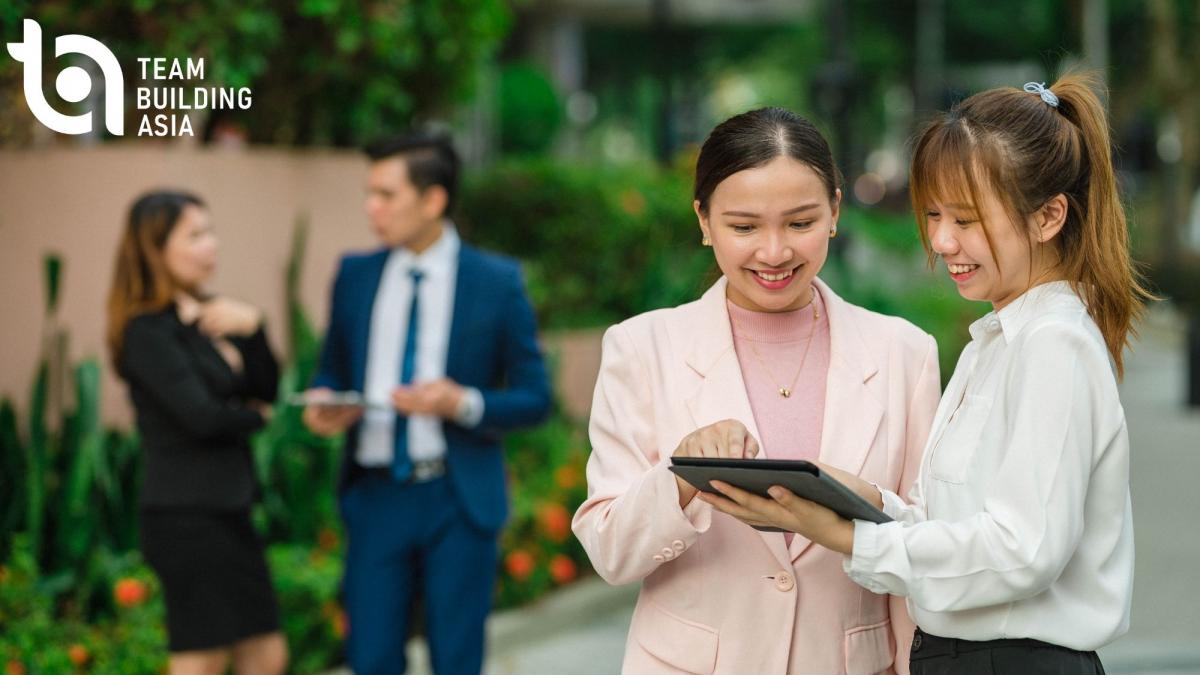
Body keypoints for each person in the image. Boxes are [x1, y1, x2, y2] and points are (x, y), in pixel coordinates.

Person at [704, 74, 1149, 674]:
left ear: (1048, 217)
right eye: (935, 214)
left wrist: (854, 538)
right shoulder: (996, 341)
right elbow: (968, 527)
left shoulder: (1053, 345)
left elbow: (1023, 552)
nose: (941, 240)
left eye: (967, 219)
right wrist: (868, 503)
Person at [572, 107, 941, 674]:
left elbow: (922, 545)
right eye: (744, 227)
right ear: (704, 220)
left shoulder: (904, 353)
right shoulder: (641, 348)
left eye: (800, 223)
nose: (774, 253)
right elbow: (611, 551)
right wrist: (681, 478)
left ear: (836, 211)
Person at [302, 130, 551, 675]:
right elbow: (331, 370)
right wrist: (325, 400)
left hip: (456, 499)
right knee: (371, 659)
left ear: (433, 199)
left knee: (456, 661)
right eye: (370, 193)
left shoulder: (496, 281)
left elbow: (536, 397)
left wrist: (461, 403)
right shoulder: (354, 274)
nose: (372, 207)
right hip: (374, 497)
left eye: (386, 195)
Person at [107, 190, 287, 675]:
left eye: (210, 232)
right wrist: (257, 418)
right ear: (155, 249)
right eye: (196, 235)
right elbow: (202, 417)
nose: (213, 245)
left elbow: (264, 387)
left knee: (265, 654)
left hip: (230, 507)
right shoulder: (148, 331)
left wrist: (255, 331)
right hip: (186, 516)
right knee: (201, 658)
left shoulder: (210, 315)